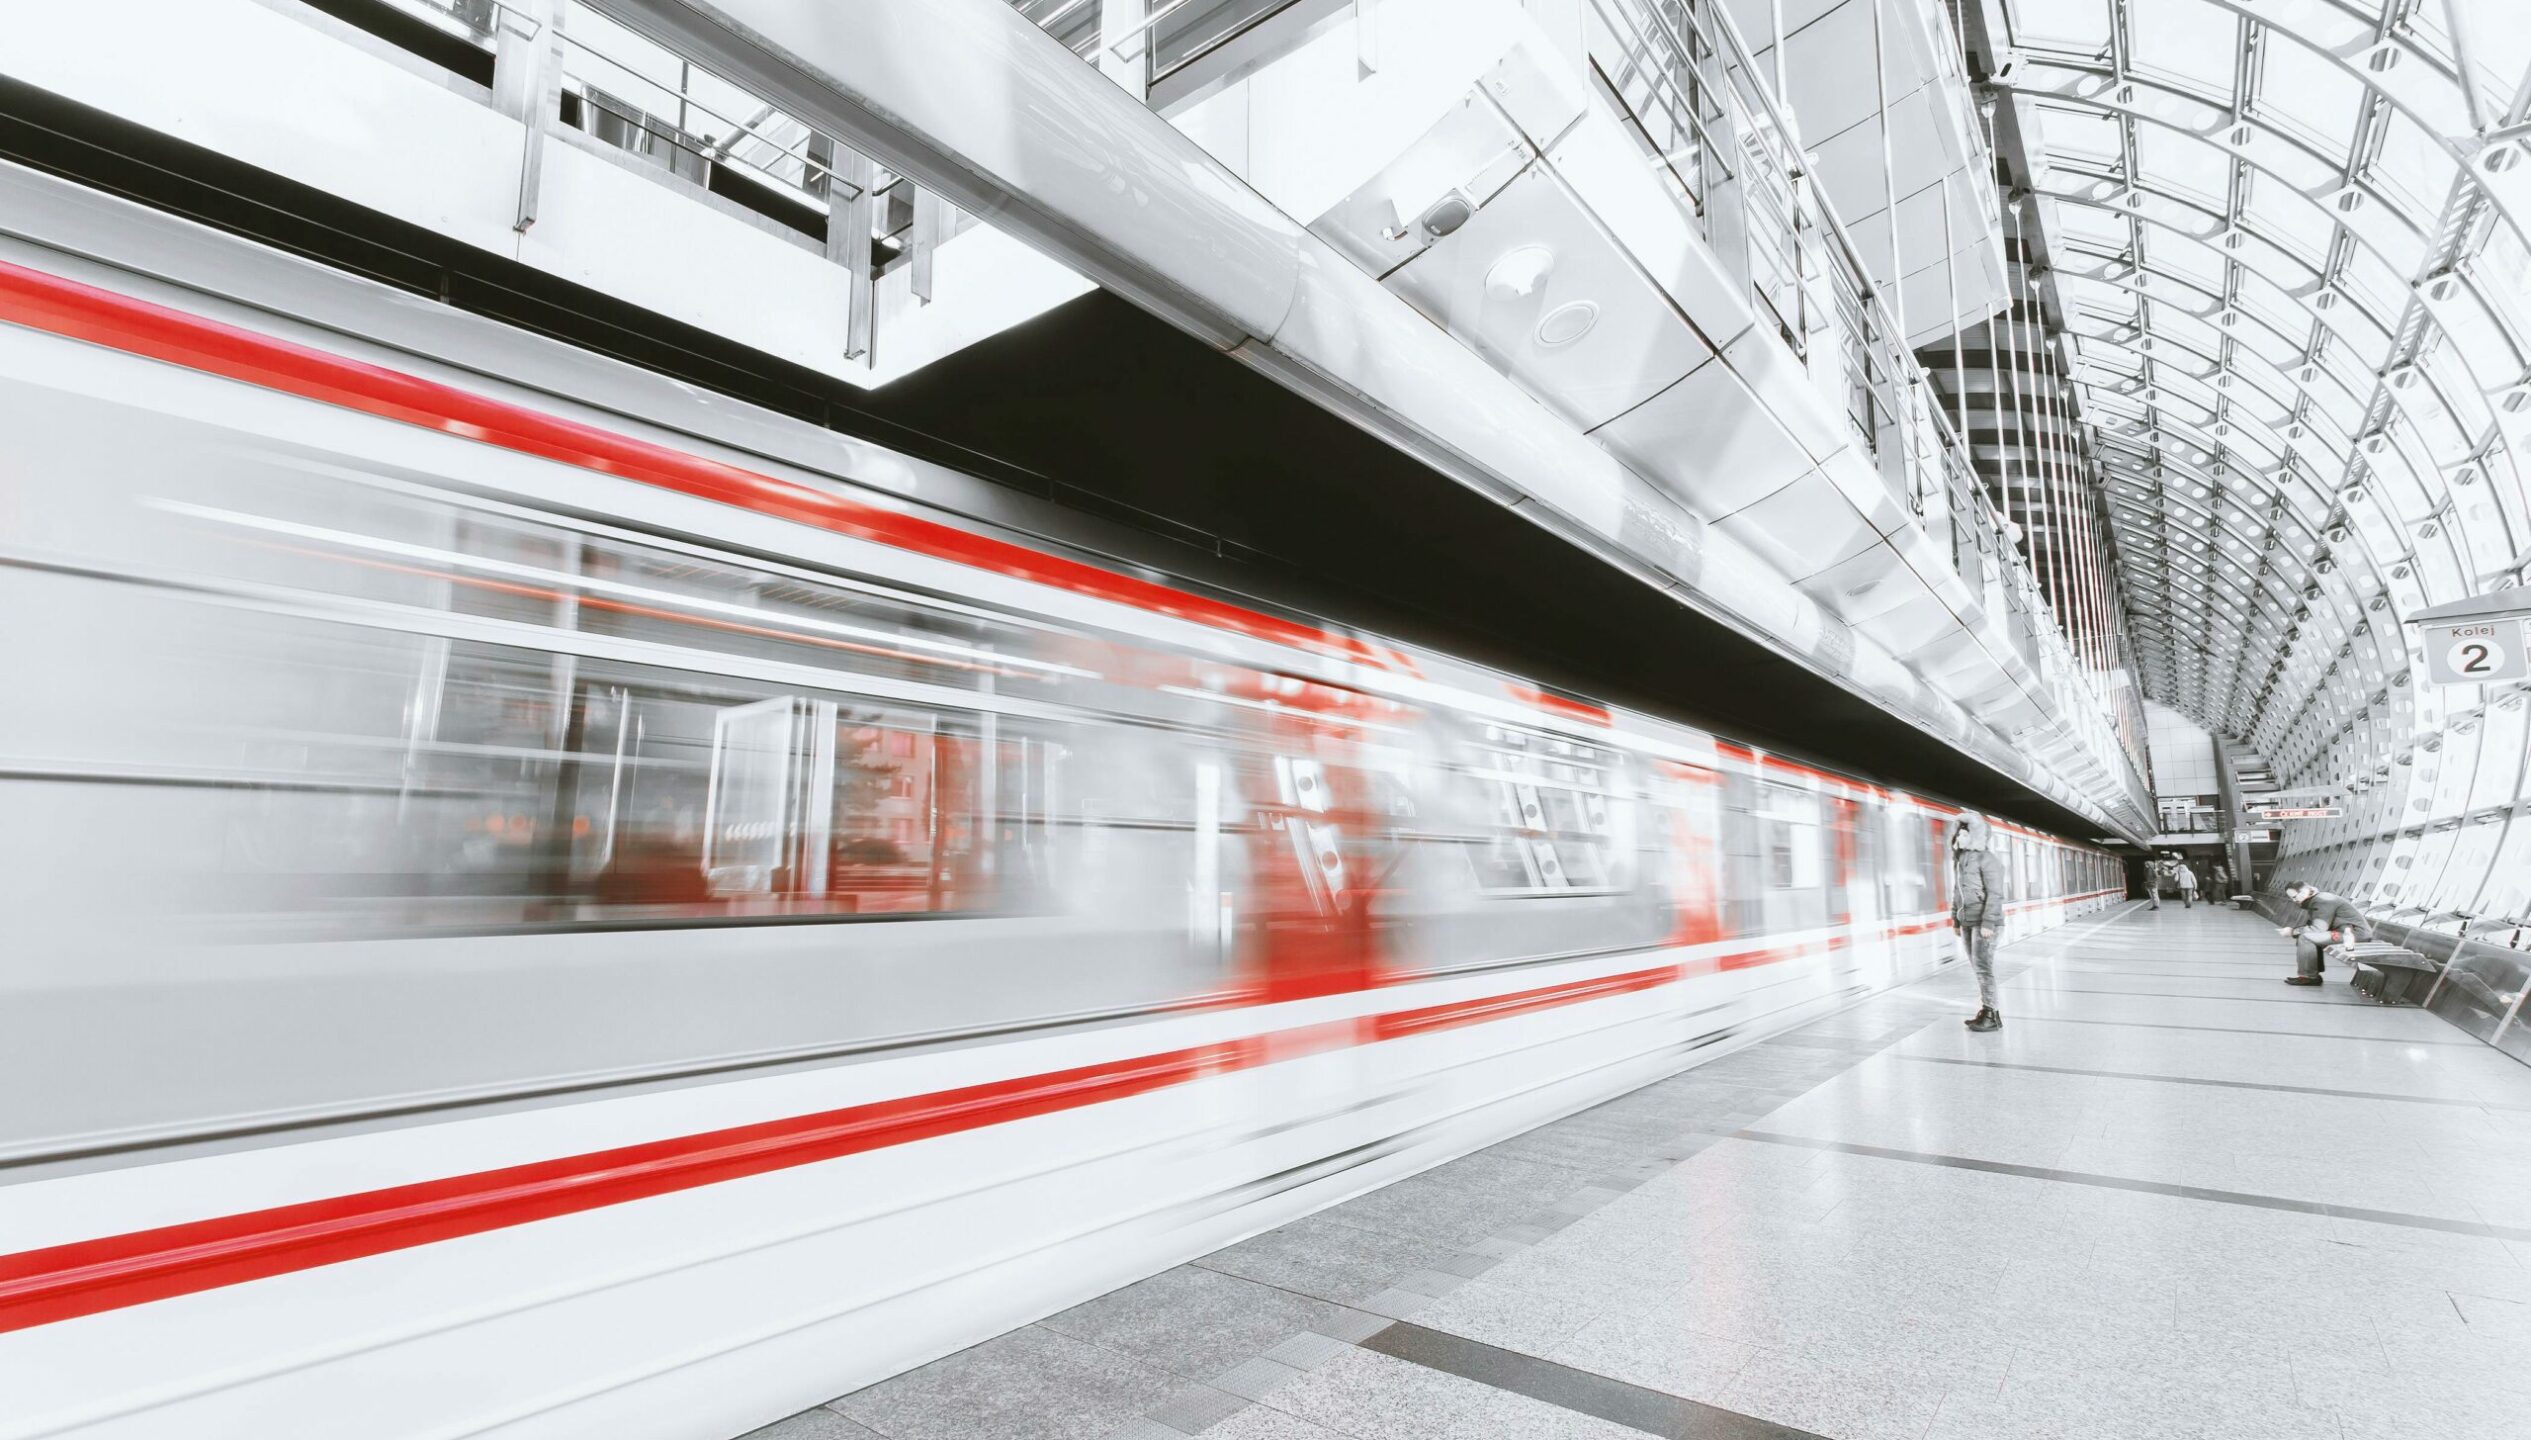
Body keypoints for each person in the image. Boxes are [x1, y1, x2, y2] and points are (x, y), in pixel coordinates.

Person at [1950, 812, 2009, 1031]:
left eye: (1966, 830)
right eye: (1960, 830)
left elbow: (1995, 894)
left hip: (1985, 923)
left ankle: (1991, 1015)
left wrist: (1988, 924)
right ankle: (1987, 1011)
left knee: (1984, 968)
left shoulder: (1988, 859)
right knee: (1978, 968)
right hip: (1967, 922)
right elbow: (1958, 892)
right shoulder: (1961, 860)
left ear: (1977, 834)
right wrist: (1955, 919)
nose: (1961, 834)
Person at [2278, 880, 2368, 987]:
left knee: (2306, 938)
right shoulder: (2317, 899)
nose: (2294, 900)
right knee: (2308, 937)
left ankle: (2309, 976)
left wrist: (2292, 931)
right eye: (2292, 898)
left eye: (2295, 896)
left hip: (2353, 935)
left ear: (2304, 891)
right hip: (2347, 932)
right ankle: (2312, 974)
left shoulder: (2322, 900)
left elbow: (2317, 929)